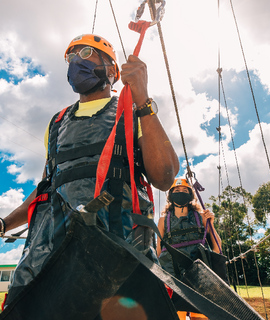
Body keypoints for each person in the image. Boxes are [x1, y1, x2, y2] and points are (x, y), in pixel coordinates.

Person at [0, 34, 179, 308]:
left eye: (85, 54)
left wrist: (142, 99)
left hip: (120, 249)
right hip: (56, 253)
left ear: (111, 69)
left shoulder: (132, 111)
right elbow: (48, 188)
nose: (75, 63)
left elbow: (165, 177)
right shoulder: (57, 122)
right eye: (70, 59)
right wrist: (4, 224)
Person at [157, 178, 222, 320]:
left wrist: (211, 223)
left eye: (185, 190)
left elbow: (217, 247)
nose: (181, 193)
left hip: (199, 278)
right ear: (170, 195)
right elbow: (158, 251)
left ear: (191, 195)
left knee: (200, 316)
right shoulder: (163, 221)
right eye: (177, 190)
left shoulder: (201, 217)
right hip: (173, 280)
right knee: (175, 315)